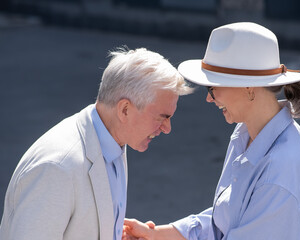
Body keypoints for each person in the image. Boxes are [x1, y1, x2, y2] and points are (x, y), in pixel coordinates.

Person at [122, 22, 300, 239]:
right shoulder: (245, 135)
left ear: (248, 88)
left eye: (213, 88)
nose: (209, 98)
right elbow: (227, 222)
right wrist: (156, 234)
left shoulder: (282, 171)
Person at [0, 47, 192, 240]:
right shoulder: (56, 168)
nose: (167, 128)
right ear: (125, 110)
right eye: (162, 117)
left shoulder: (114, 141)